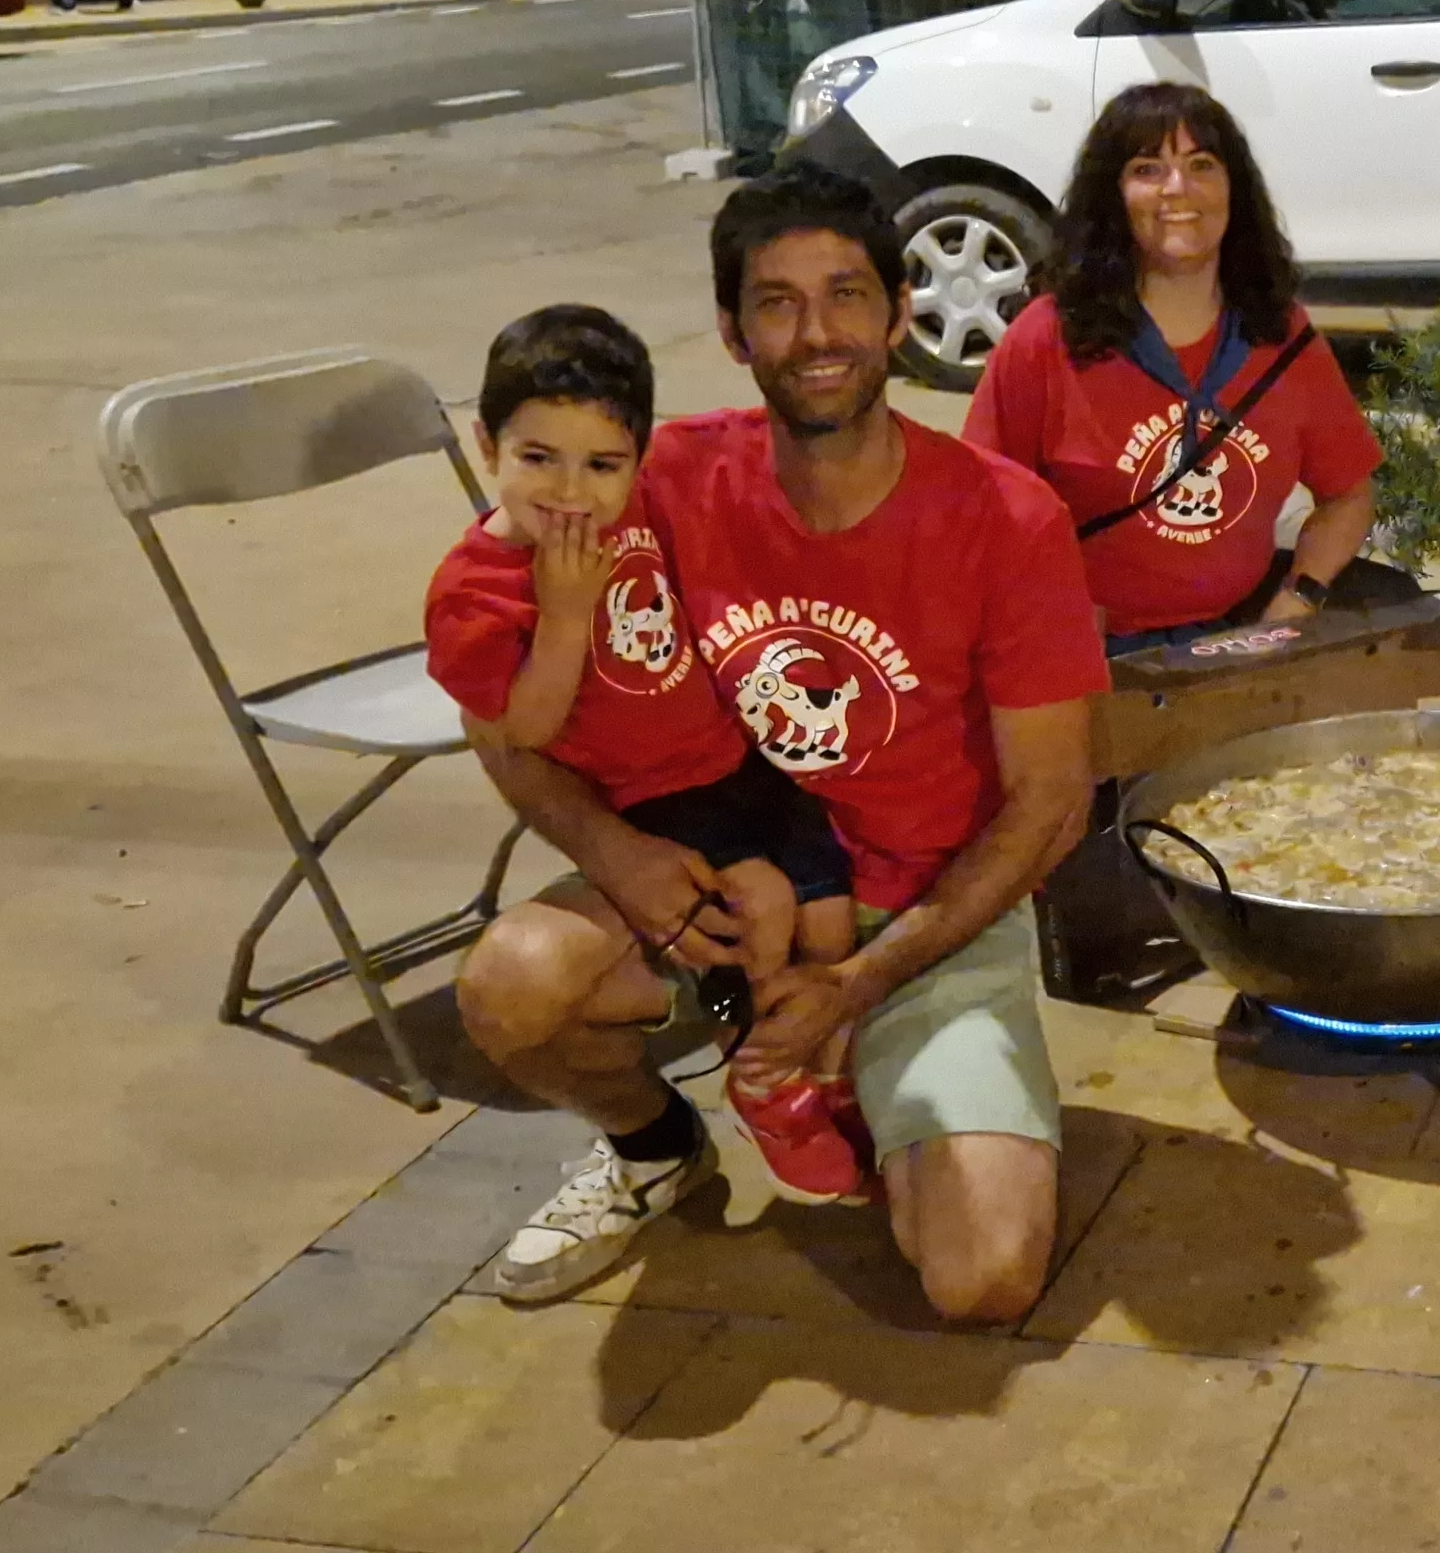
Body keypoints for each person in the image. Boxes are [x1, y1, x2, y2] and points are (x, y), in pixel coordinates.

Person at [453, 166, 1106, 1322]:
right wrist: (618, 859)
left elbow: (1052, 800)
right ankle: (656, 1146)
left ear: (900, 313)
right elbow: (500, 725)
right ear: (729, 329)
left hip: (920, 926)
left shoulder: (1005, 518)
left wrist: (856, 984)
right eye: (777, 302)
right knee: (514, 986)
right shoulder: (638, 478)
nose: (818, 334)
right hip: (704, 885)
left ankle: (872, 1069)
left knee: (983, 1278)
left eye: (848, 295)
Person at [424, 306, 873, 1205]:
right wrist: (562, 612)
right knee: (761, 912)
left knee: (829, 925)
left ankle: (820, 1078)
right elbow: (526, 731)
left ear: (638, 457)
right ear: (486, 446)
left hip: (740, 765)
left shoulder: (644, 508)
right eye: (537, 458)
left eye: (602, 464)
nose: (570, 492)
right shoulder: (475, 590)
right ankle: (755, 1074)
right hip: (649, 803)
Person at [964, 83, 1392, 655]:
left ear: (1233, 188)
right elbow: (978, 512)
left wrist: (1299, 597)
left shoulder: (1279, 333)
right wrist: (1045, 612)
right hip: (1087, 656)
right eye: (1148, 168)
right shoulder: (1048, 338)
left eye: (1202, 165)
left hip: (1235, 643)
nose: (1177, 188)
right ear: (1112, 195)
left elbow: (1348, 495)